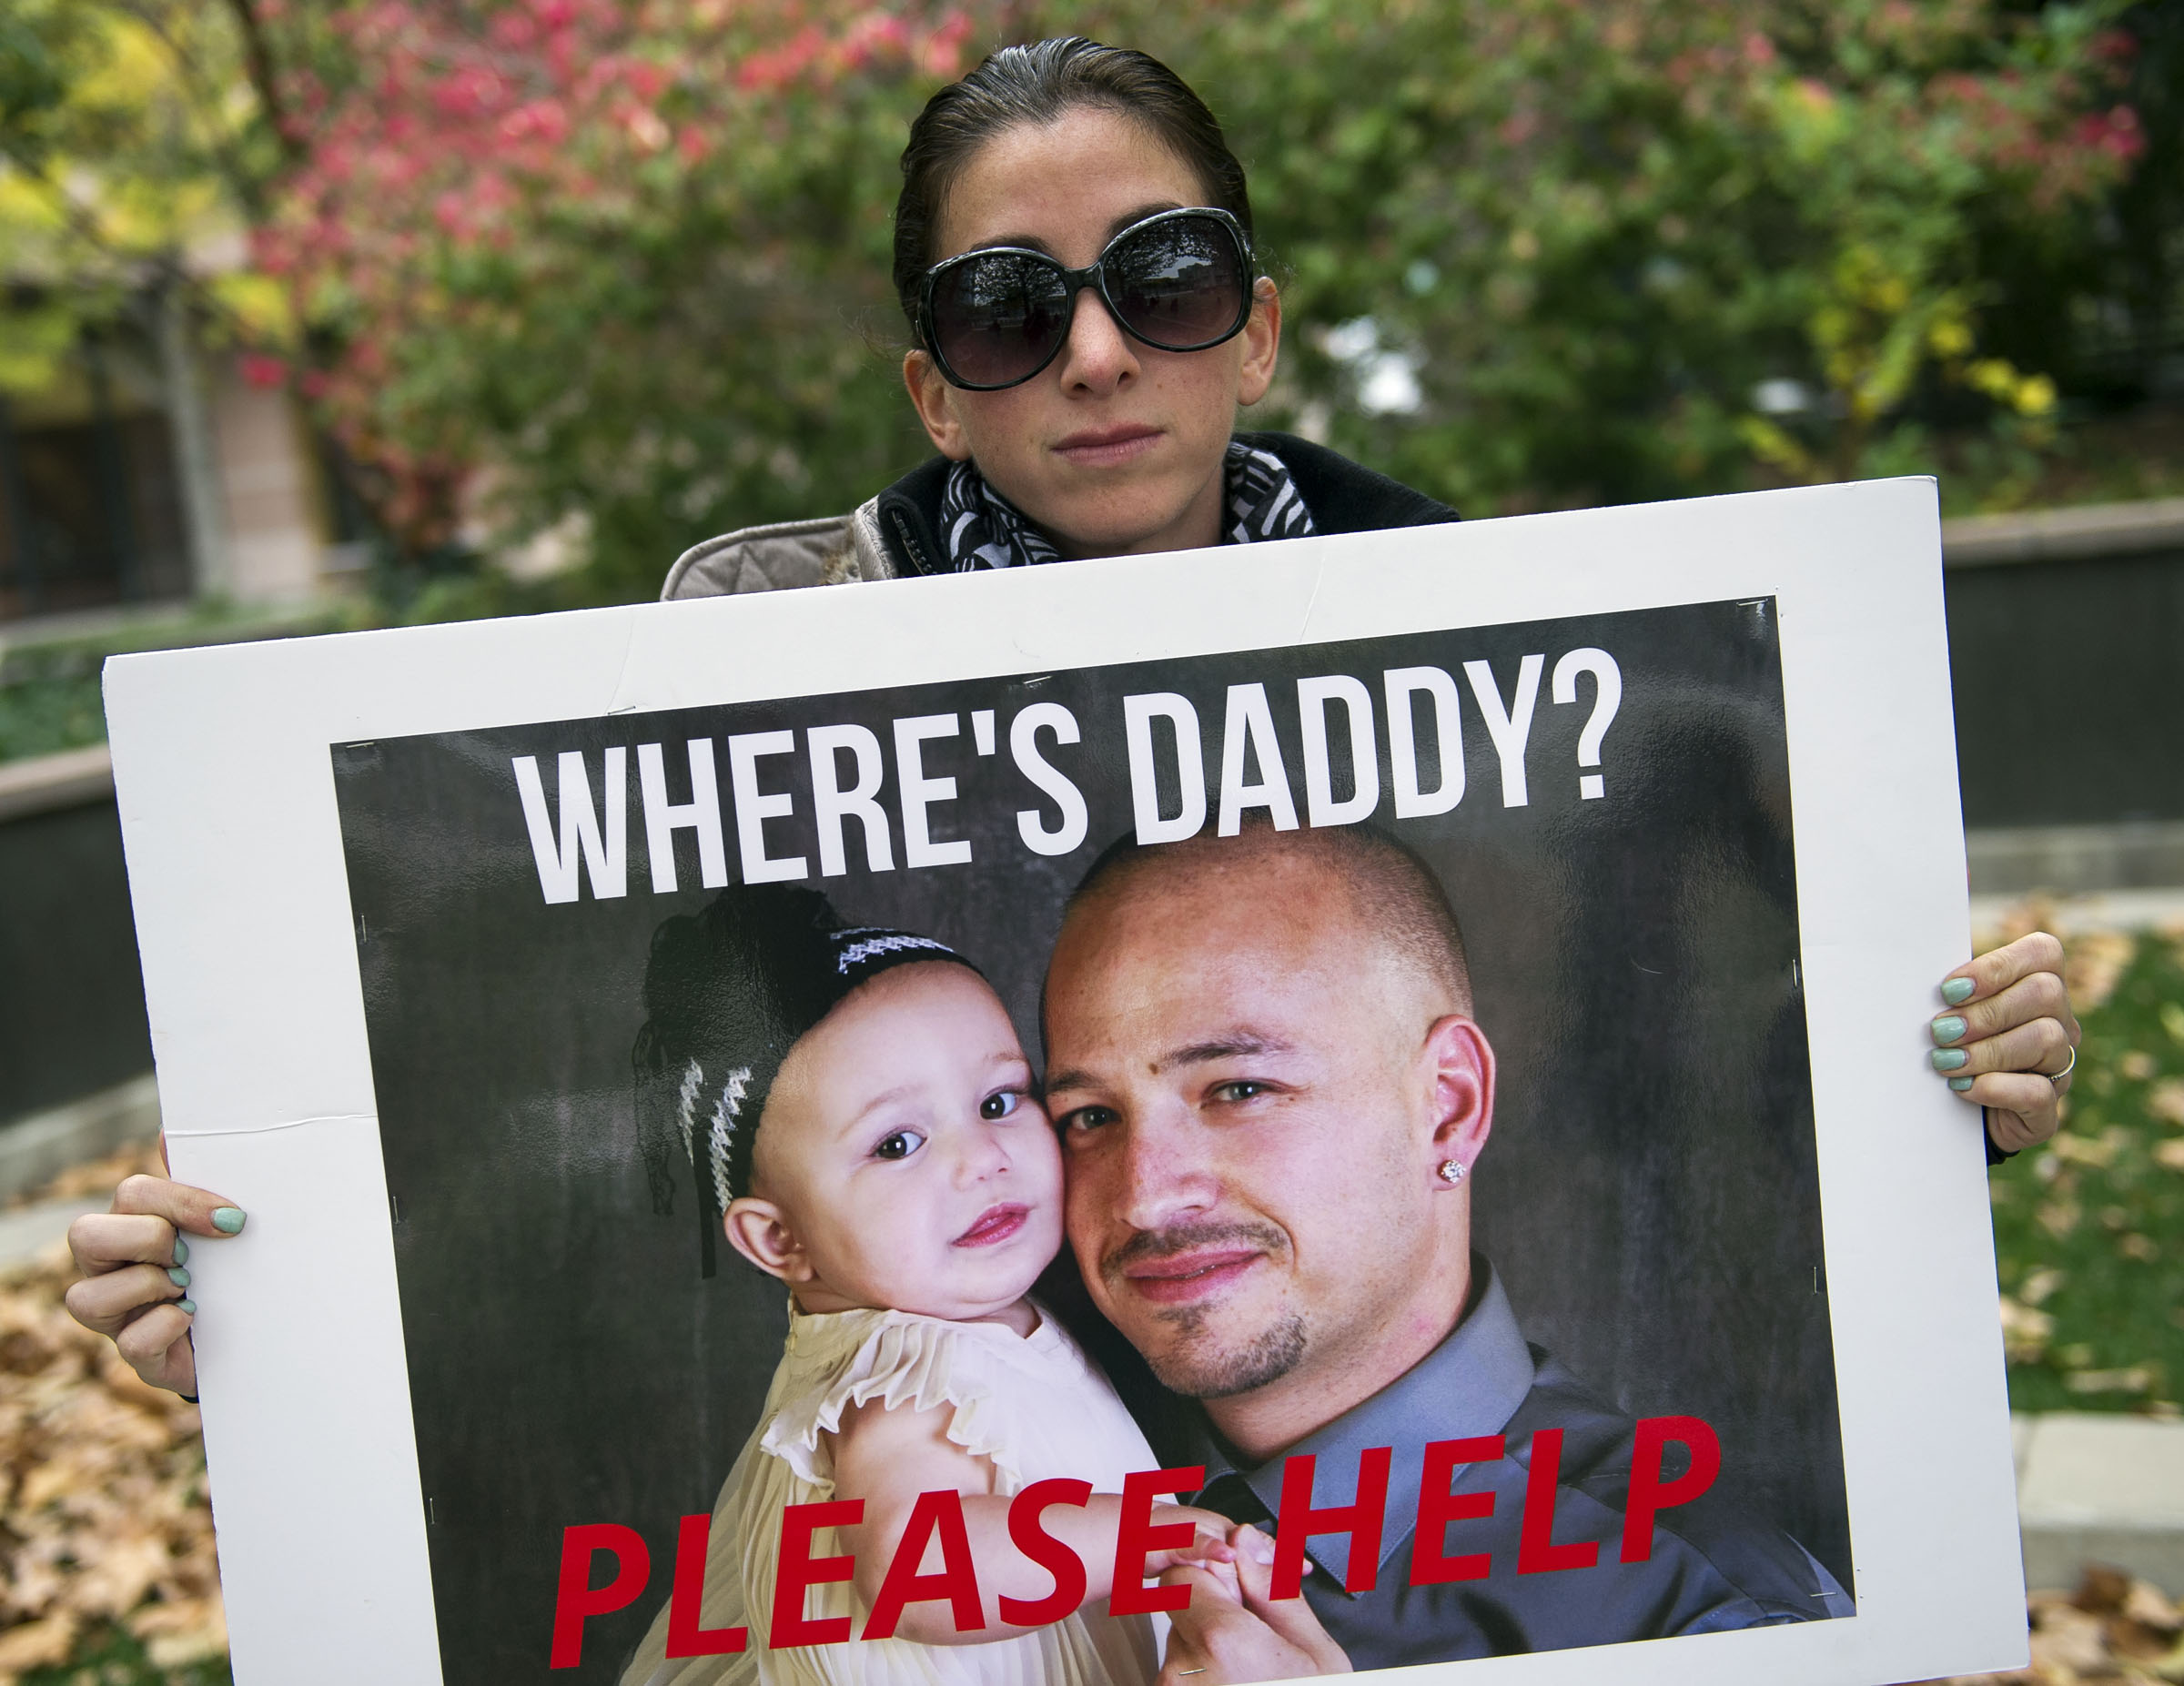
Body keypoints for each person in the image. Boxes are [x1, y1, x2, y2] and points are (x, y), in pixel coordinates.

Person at [62, 32, 2081, 1655]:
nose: (1100, 354)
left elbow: (1774, 1042)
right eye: (1009, 313)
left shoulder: (1512, 639)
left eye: (1166, 278)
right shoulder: (751, 665)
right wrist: (267, 1313)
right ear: (937, 391)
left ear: (1259, 328)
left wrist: (1914, 1119)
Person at [1042, 823, 1854, 1668]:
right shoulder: (1008, 1470)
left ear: (1448, 1106)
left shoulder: (1702, 1618)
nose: (1143, 1194)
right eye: (1089, 1116)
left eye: (1239, 1088)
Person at [614, 883, 1310, 1686]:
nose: (982, 1158)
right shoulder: (897, 1371)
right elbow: (916, 1565)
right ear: (781, 1239)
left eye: (997, 1099)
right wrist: (1153, 1535)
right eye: (899, 1142)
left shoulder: (975, 1318)